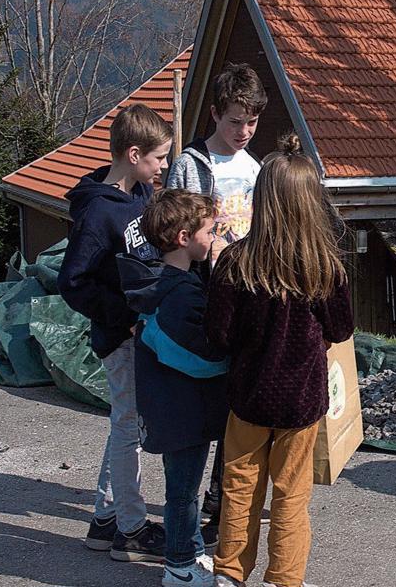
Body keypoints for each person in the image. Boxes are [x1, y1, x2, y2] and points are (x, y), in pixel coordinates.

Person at [206, 134, 354, 587]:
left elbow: (219, 336)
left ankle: (229, 573)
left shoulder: (235, 261)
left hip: (248, 397)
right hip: (300, 403)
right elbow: (341, 330)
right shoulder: (325, 266)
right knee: (291, 495)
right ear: (314, 202)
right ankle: (284, 579)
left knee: (239, 487)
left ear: (262, 199)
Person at [57, 103, 170, 560]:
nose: (164, 167)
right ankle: (131, 529)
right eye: (159, 158)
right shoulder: (100, 214)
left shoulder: (139, 195)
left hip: (138, 331)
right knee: (130, 429)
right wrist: (119, 317)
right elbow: (72, 281)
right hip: (120, 337)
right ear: (133, 152)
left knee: (124, 424)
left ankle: (105, 520)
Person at [166, 61, 267, 539]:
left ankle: (222, 498)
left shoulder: (257, 169)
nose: (243, 131)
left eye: (251, 122)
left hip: (246, 293)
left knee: (237, 406)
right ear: (214, 115)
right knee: (203, 405)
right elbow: (171, 229)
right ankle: (189, 508)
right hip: (205, 294)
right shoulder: (191, 164)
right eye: (234, 121)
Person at [117, 190, 231, 586]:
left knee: (184, 489)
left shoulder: (160, 283)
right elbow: (193, 357)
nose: (214, 239)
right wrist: (229, 360)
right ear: (184, 237)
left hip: (172, 406)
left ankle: (193, 554)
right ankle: (179, 567)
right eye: (210, 232)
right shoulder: (181, 293)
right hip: (183, 410)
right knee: (183, 493)